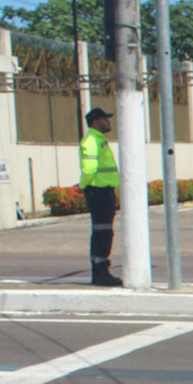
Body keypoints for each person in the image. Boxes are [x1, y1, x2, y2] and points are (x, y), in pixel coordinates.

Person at [78, 107, 122, 287]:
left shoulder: (100, 140)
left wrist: (117, 194)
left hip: (105, 191)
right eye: (105, 118)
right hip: (98, 191)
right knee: (101, 232)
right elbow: (89, 168)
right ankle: (100, 273)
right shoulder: (91, 141)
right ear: (95, 121)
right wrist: (83, 186)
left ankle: (102, 271)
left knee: (105, 232)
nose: (108, 122)